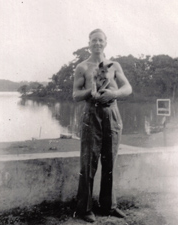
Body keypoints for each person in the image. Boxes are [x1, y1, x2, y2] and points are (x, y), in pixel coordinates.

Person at [72, 29, 132, 223]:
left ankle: (108, 206)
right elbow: (75, 95)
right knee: (88, 163)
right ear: (88, 43)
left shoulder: (114, 65)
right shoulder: (82, 67)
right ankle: (85, 208)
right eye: (93, 40)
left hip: (112, 114)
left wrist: (114, 94)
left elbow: (127, 88)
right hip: (92, 115)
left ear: (105, 42)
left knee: (110, 163)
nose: (97, 43)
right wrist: (93, 90)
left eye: (100, 40)